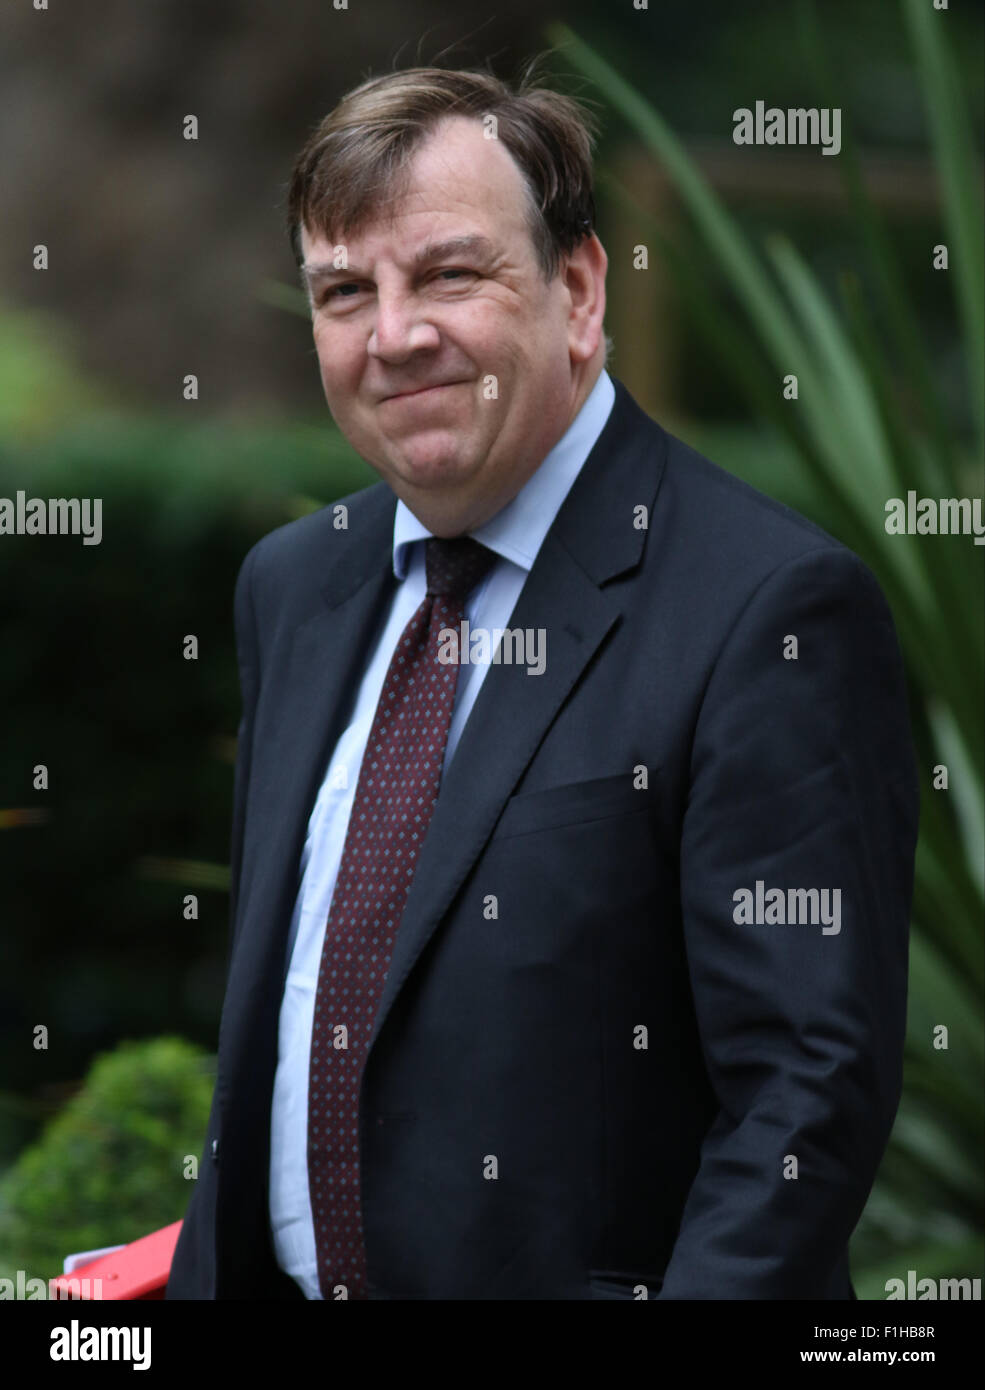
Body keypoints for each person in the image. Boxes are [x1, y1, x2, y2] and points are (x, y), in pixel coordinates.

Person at [166, 63, 919, 1300]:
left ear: (576, 289)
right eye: (344, 291)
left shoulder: (768, 609)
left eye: (450, 274)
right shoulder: (294, 587)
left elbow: (805, 1097)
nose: (395, 334)